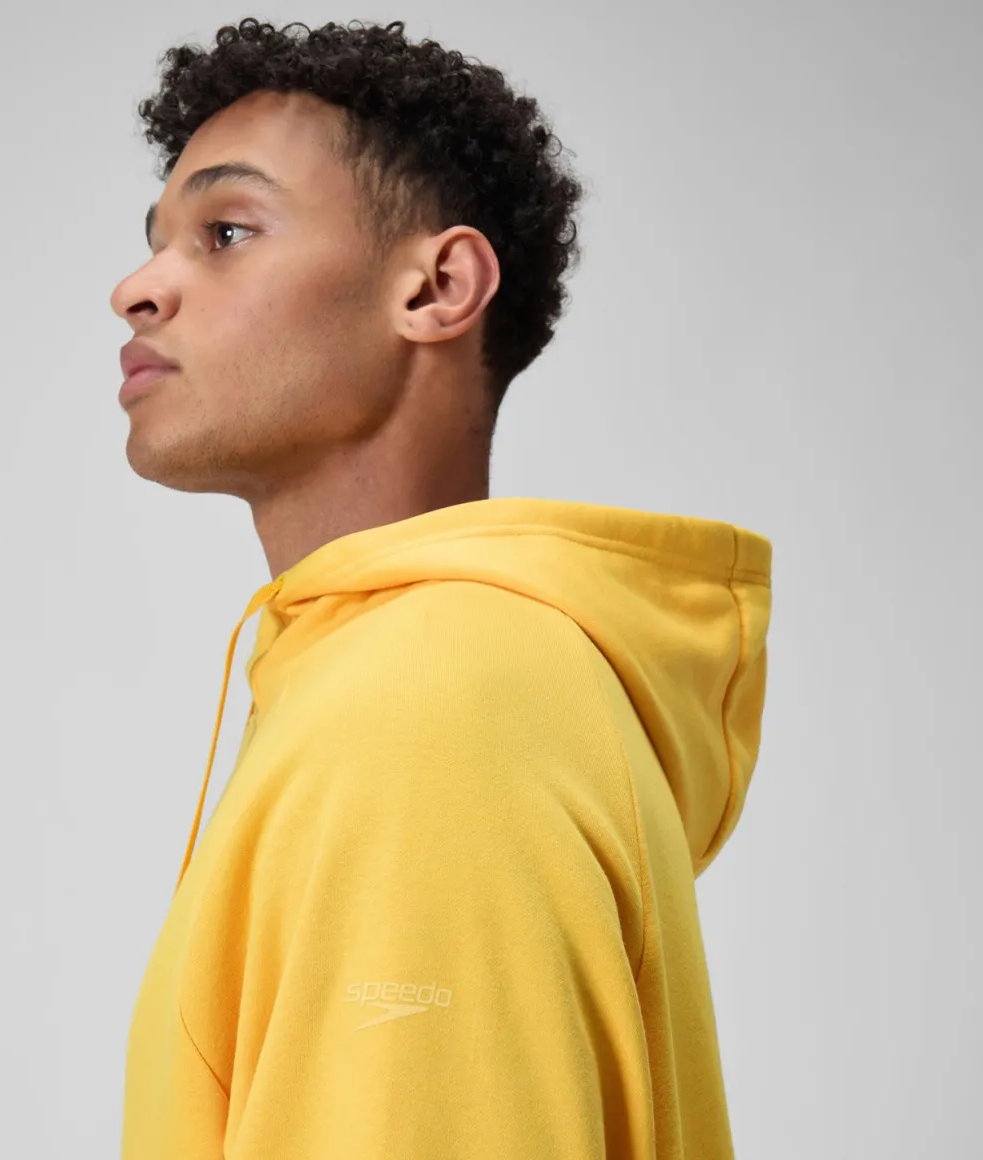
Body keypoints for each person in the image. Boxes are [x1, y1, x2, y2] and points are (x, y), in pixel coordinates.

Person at [109, 18, 772, 1160]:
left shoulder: (430, 707)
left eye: (226, 232)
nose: (136, 288)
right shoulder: (425, 677)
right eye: (154, 243)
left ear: (436, 287)